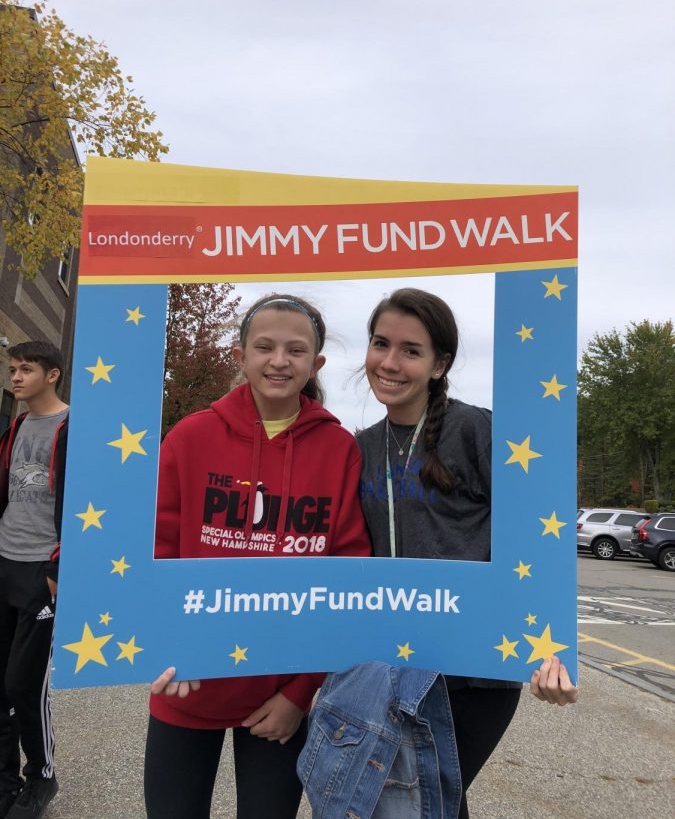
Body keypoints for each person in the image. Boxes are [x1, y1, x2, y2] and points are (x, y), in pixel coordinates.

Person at [144, 294, 371, 819]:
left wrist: (301, 692)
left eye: (296, 350)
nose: (279, 360)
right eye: (264, 347)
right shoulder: (190, 436)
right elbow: (155, 550)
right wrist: (164, 643)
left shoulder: (340, 450)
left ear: (315, 364)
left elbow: (345, 577)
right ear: (240, 355)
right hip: (188, 682)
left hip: (280, 696)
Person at [357, 288, 577, 819]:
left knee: (428, 800)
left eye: (411, 350)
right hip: (392, 664)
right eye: (381, 343)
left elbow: (538, 532)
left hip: (475, 670)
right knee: (410, 803)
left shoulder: (474, 428)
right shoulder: (362, 444)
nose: (390, 362)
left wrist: (553, 650)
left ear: (440, 364)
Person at [0, 341, 69, 819]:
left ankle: (41, 777)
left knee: (23, 684)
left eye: (26, 369)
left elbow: (87, 507)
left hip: (40, 572)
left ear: (53, 375)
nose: (16, 377)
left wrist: (59, 571)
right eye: (12, 369)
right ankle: (5, 781)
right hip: (4, 561)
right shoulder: (17, 423)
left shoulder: (72, 428)